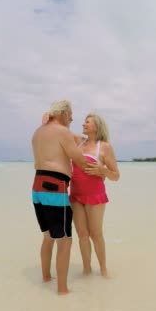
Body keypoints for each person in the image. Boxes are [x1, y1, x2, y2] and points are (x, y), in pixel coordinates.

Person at [31, 100, 88, 295]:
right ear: (63, 113)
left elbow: (74, 139)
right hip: (55, 188)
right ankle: (62, 290)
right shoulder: (62, 132)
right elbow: (78, 158)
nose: (72, 118)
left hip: (37, 186)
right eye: (70, 114)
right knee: (65, 241)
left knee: (48, 236)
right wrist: (99, 169)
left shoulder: (39, 132)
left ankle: (46, 277)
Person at [69, 113, 120, 277]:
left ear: (96, 126)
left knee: (95, 234)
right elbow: (60, 130)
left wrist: (103, 170)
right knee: (82, 234)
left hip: (95, 196)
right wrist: (49, 117)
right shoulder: (78, 141)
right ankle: (87, 270)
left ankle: (104, 270)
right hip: (76, 195)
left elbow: (116, 176)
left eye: (87, 122)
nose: (83, 124)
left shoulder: (104, 147)